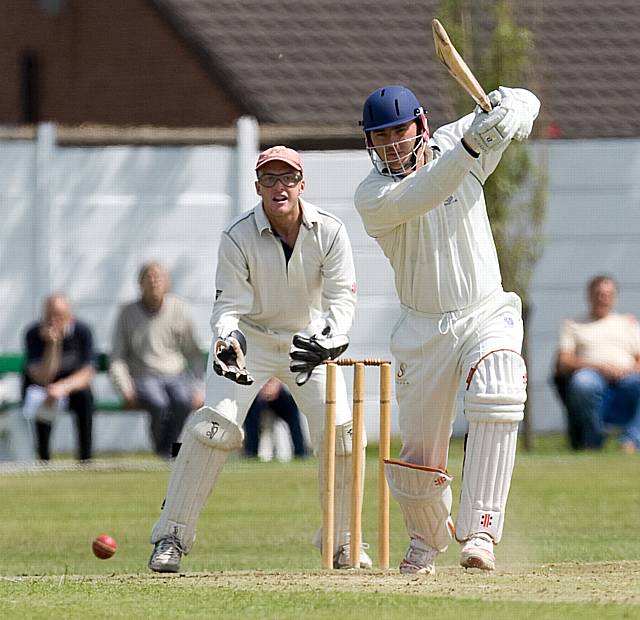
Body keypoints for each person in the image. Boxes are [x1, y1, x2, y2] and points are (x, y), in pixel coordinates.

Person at [147, 145, 367, 573]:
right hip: (251, 342)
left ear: (302, 185)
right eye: (269, 179)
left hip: (308, 342)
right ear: (258, 187)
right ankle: (171, 537)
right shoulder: (238, 235)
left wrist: (330, 337)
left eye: (287, 178)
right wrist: (227, 338)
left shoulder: (331, 231)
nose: (279, 186)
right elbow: (227, 305)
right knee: (213, 426)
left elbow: (342, 298)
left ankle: (342, 541)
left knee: (342, 432)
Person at [354, 85, 540, 574]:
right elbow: (428, 189)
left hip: (485, 310)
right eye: (382, 136)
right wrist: (476, 145)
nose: (394, 143)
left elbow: (529, 102)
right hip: (422, 329)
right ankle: (426, 538)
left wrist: (508, 113)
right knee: (419, 455)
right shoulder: (373, 196)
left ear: (421, 124)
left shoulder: (462, 138)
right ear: (369, 143)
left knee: (499, 389)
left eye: (400, 131)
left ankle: (481, 530)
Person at [109, 261, 205, 458]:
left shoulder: (180, 309)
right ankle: (167, 452)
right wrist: (124, 388)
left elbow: (194, 353)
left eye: (158, 277)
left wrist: (198, 388)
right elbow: (117, 357)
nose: (153, 282)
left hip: (176, 375)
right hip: (144, 376)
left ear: (167, 283)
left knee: (182, 400)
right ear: (140, 283)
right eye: (148, 277)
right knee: (158, 403)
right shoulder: (127, 313)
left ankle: (165, 452)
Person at [556, 275, 640, 454]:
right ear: (590, 296)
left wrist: (627, 370)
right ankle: (592, 442)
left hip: (627, 377)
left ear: (615, 297)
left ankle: (631, 441)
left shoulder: (629, 323)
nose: (603, 298)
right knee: (582, 384)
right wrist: (598, 367)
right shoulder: (573, 324)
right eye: (599, 294)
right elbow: (564, 361)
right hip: (590, 374)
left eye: (608, 294)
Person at [23, 294, 95, 461]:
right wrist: (52, 344)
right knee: (41, 397)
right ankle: (44, 459)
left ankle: (85, 459)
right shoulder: (33, 334)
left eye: (59, 316)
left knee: (85, 397)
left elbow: (87, 372)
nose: (54, 321)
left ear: (69, 315)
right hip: (43, 386)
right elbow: (42, 377)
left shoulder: (83, 332)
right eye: (49, 316)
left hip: (70, 387)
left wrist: (63, 388)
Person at [243, 377, 308, 460]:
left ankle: (300, 453)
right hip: (256, 392)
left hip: (278, 390)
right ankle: (251, 453)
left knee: (291, 410)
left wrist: (274, 386)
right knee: (252, 411)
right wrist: (260, 390)